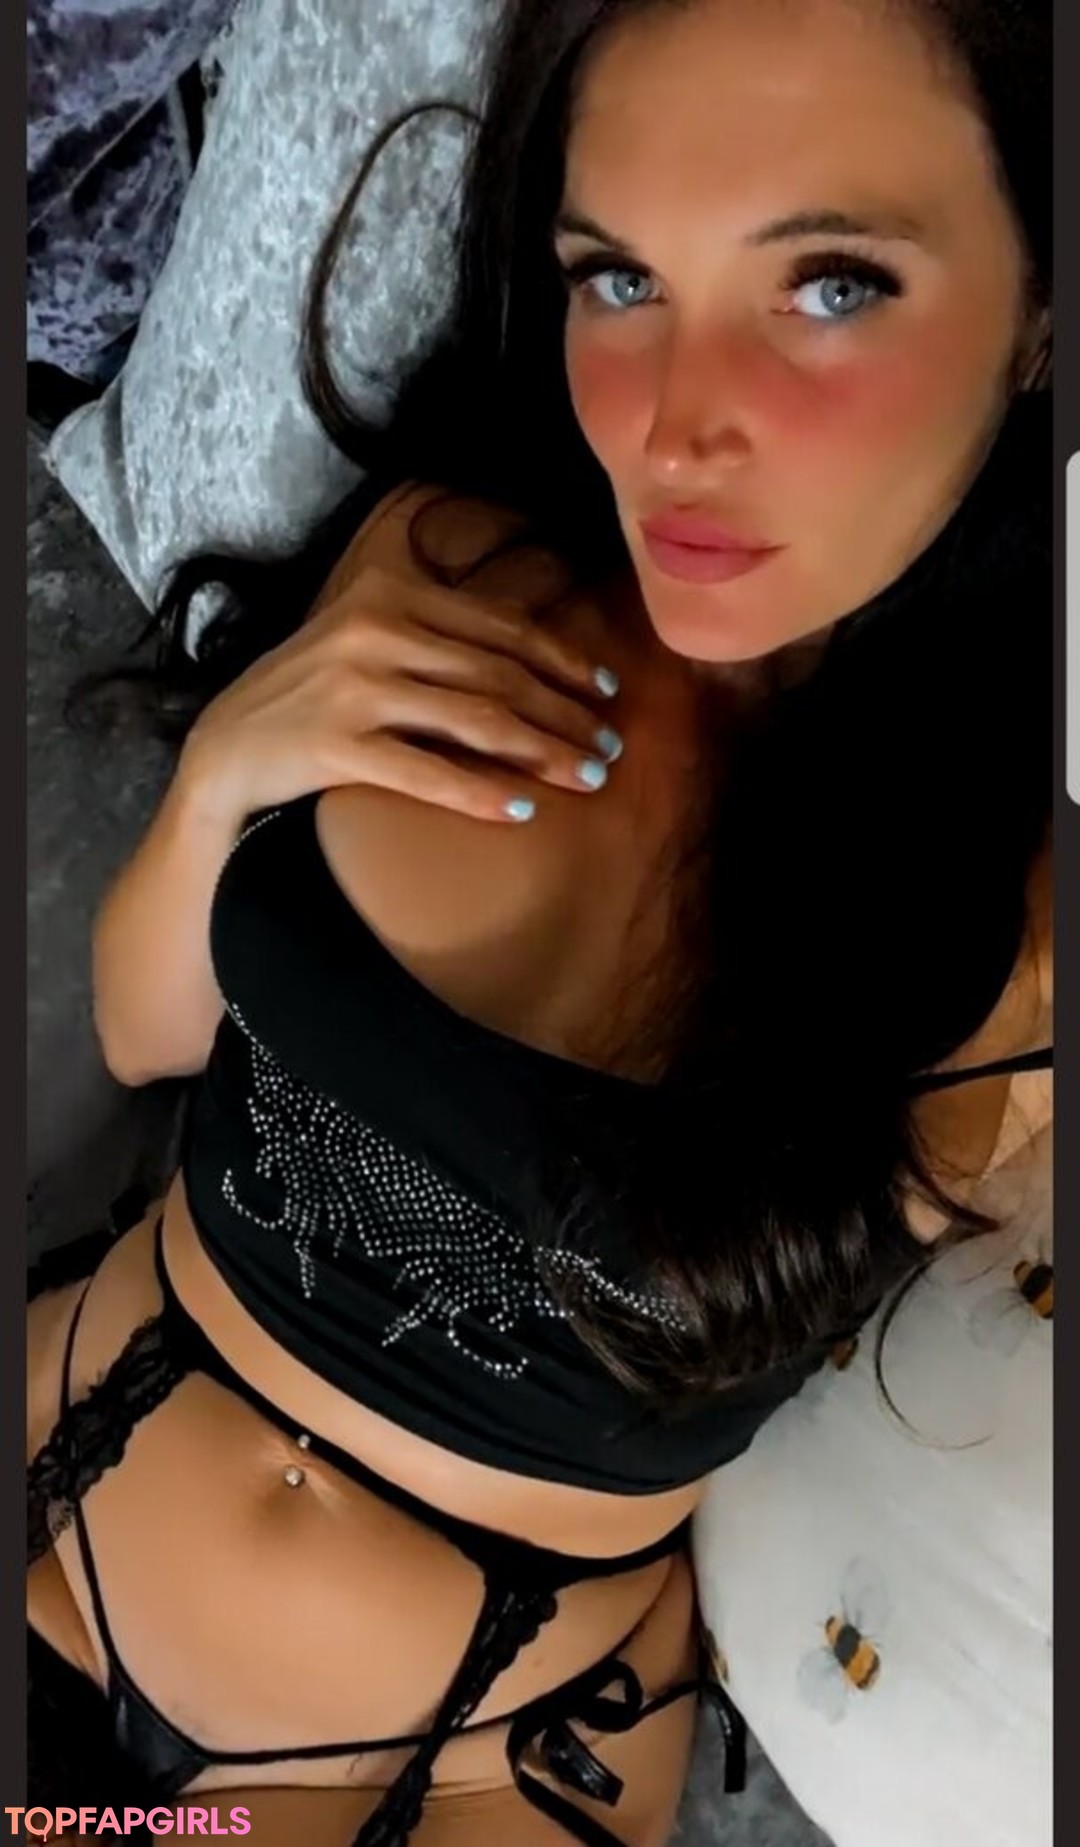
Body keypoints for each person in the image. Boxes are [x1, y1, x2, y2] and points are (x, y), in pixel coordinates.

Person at [27, 1, 1052, 1843]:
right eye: (618, 279)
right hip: (60, 1452)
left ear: (1041, 309)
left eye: (832, 285)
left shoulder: (1023, 955)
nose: (670, 426)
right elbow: (141, 1036)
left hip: (458, 1754)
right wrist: (225, 776)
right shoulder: (457, 565)